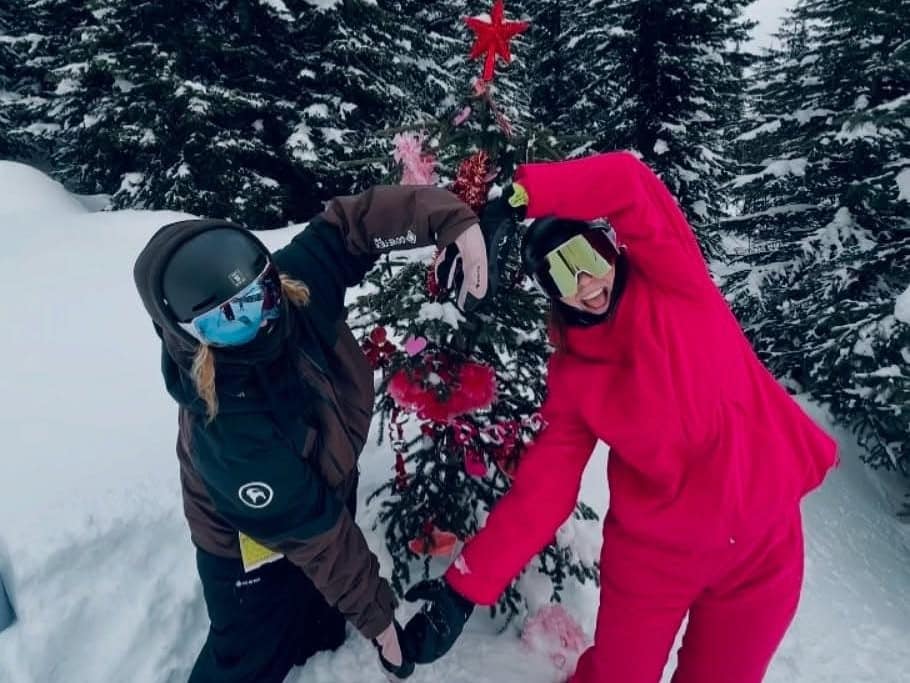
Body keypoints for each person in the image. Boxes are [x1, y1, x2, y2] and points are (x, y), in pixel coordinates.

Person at [397, 152, 839, 683]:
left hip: (762, 552)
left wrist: (519, 198)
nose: (585, 282)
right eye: (560, 274)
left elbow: (629, 182)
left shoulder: (675, 280)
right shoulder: (574, 377)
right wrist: (462, 591)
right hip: (654, 563)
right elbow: (543, 493)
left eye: (586, 255)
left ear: (610, 246)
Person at [133, 184, 490, 682]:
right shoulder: (228, 430)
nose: (261, 320)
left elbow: (351, 226)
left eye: (261, 293)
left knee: (319, 621)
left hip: (325, 486)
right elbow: (317, 534)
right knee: (250, 652)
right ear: (188, 335)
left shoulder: (291, 296)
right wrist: (378, 620)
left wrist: (447, 219)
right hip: (245, 544)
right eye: (230, 319)